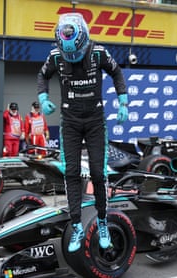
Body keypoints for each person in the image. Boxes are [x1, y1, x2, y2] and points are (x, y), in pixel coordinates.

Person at [37, 13, 128, 253]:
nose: (72, 58)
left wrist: (123, 100)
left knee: (98, 173)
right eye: (69, 55)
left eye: (75, 53)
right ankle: (76, 224)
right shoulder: (56, 55)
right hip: (70, 121)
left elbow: (117, 72)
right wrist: (43, 97)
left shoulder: (98, 52)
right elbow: (42, 75)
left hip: (96, 120)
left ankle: (102, 221)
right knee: (71, 172)